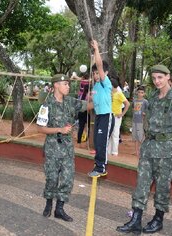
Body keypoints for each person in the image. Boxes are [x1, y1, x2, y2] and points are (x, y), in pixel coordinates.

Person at [116, 65, 172, 234]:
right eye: (154, 78)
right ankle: (136, 219)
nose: (157, 81)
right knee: (141, 183)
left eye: (160, 78)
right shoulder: (153, 97)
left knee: (163, 186)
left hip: (167, 150)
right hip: (149, 147)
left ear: (167, 76)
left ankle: (158, 219)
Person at [36, 74, 93, 222]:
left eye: (68, 84)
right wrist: (59, 129)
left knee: (67, 178)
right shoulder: (46, 105)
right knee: (52, 178)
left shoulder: (71, 102)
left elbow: (88, 106)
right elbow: (40, 129)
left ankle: (59, 209)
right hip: (53, 147)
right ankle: (48, 203)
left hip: (67, 148)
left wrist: (97, 95)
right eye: (65, 84)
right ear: (56, 85)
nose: (68, 86)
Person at [87, 40, 115, 177]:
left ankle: (101, 167)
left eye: (98, 73)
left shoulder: (105, 83)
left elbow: (99, 64)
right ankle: (98, 164)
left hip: (106, 116)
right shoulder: (96, 87)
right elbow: (92, 105)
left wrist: (96, 49)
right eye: (94, 73)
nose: (96, 75)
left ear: (105, 73)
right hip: (99, 116)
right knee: (97, 141)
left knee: (102, 141)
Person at [108, 79, 130, 156]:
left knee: (115, 133)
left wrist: (122, 114)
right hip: (109, 115)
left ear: (113, 85)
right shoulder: (109, 93)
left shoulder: (119, 94)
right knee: (109, 133)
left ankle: (114, 152)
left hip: (116, 116)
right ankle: (108, 151)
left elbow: (127, 104)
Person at [131, 86, 148, 156]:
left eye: (142, 93)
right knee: (135, 137)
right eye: (139, 92)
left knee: (141, 136)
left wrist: (145, 113)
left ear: (144, 94)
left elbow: (148, 110)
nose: (140, 94)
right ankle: (136, 151)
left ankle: (142, 150)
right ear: (137, 93)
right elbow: (132, 108)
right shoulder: (134, 101)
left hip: (141, 121)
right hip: (134, 120)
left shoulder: (145, 102)